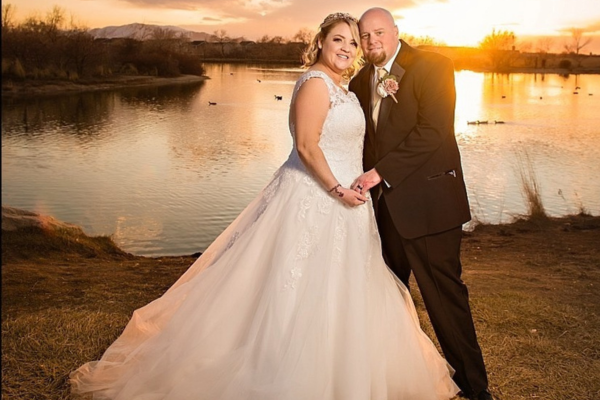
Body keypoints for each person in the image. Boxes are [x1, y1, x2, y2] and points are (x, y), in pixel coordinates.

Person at [70, 12, 459, 400]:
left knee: (347, 286)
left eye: (353, 42)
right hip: (316, 195)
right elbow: (306, 147)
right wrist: (338, 190)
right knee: (295, 285)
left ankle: (346, 370)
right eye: (338, 39)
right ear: (320, 42)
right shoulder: (314, 83)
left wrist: (364, 185)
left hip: (352, 202)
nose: (347, 47)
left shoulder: (350, 86)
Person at [348, 7, 493, 400]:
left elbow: (434, 130)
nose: (372, 41)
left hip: (430, 205)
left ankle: (474, 388)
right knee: (387, 299)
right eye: (364, 35)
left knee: (444, 299)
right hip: (382, 211)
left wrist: (380, 172)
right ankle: (393, 381)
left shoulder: (433, 66)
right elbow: (363, 142)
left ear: (396, 32)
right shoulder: (361, 80)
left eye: (379, 32)